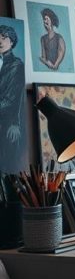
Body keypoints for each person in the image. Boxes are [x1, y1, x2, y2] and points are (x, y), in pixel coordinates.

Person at [0, 23, 25, 169]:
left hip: (8, 122)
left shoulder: (16, 65)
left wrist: (15, 123)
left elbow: (13, 98)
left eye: (4, 37)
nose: (0, 41)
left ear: (12, 41)